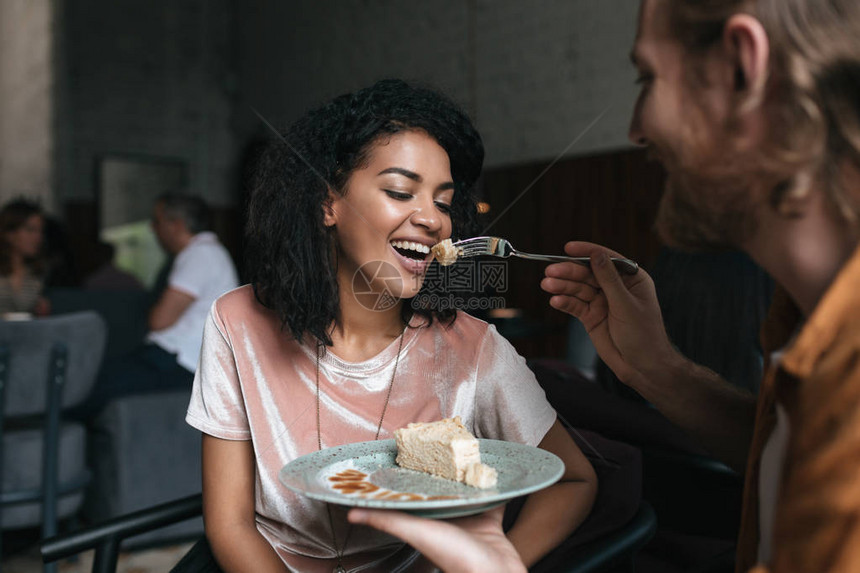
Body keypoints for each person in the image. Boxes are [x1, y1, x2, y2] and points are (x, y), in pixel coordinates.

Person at [183, 79, 597, 572]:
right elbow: (229, 525)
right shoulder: (237, 321)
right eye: (401, 191)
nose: (433, 220)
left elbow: (575, 480)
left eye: (444, 203)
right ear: (327, 202)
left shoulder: (474, 348)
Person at [539, 0, 860, 571]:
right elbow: (786, 447)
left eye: (649, 79)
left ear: (740, 71)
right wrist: (658, 368)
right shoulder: (806, 310)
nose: (637, 130)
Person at [74, 193, 239, 417]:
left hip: (179, 361)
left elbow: (160, 320)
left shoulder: (200, 254)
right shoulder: (208, 253)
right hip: (181, 359)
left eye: (157, 221)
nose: (153, 229)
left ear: (177, 225)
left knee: (85, 387)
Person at [0, 198, 50, 317]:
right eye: (30, 230)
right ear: (10, 233)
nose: (38, 238)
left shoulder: (35, 273)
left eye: (40, 231)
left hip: (23, 332)